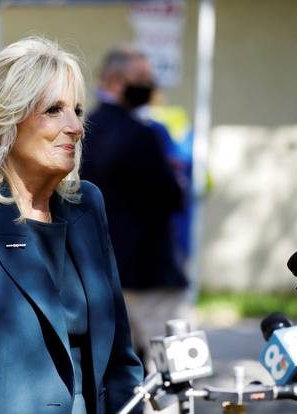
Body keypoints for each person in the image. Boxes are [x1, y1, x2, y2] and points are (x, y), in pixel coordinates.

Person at [0, 37, 143, 414]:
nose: (76, 127)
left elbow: (121, 362)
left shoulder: (88, 207)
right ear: (7, 119)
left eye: (77, 110)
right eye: (54, 110)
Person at [82, 48, 188, 370]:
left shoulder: (83, 129)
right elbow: (172, 196)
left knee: (117, 374)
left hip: (101, 270)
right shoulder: (143, 134)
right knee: (173, 373)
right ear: (115, 81)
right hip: (149, 272)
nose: (150, 86)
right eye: (142, 79)